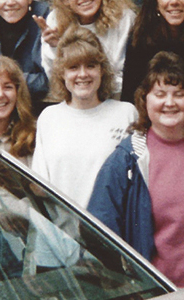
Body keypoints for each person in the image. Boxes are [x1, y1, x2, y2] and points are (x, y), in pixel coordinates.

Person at [88, 52, 184, 292]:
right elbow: (97, 226)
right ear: (144, 100)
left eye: (179, 94)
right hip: (153, 294)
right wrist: (127, 280)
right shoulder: (127, 158)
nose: (170, 103)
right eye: (160, 94)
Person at [31, 28, 138, 208]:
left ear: (102, 70)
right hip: (61, 232)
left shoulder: (126, 114)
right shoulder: (49, 117)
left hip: (109, 231)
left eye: (90, 66)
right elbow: (39, 187)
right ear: (62, 73)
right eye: (73, 67)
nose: (82, 74)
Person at [38, 0, 136, 97]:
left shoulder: (123, 17)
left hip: (115, 98)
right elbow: (55, 79)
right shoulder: (55, 19)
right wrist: (55, 47)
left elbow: (122, 75)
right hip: (75, 99)